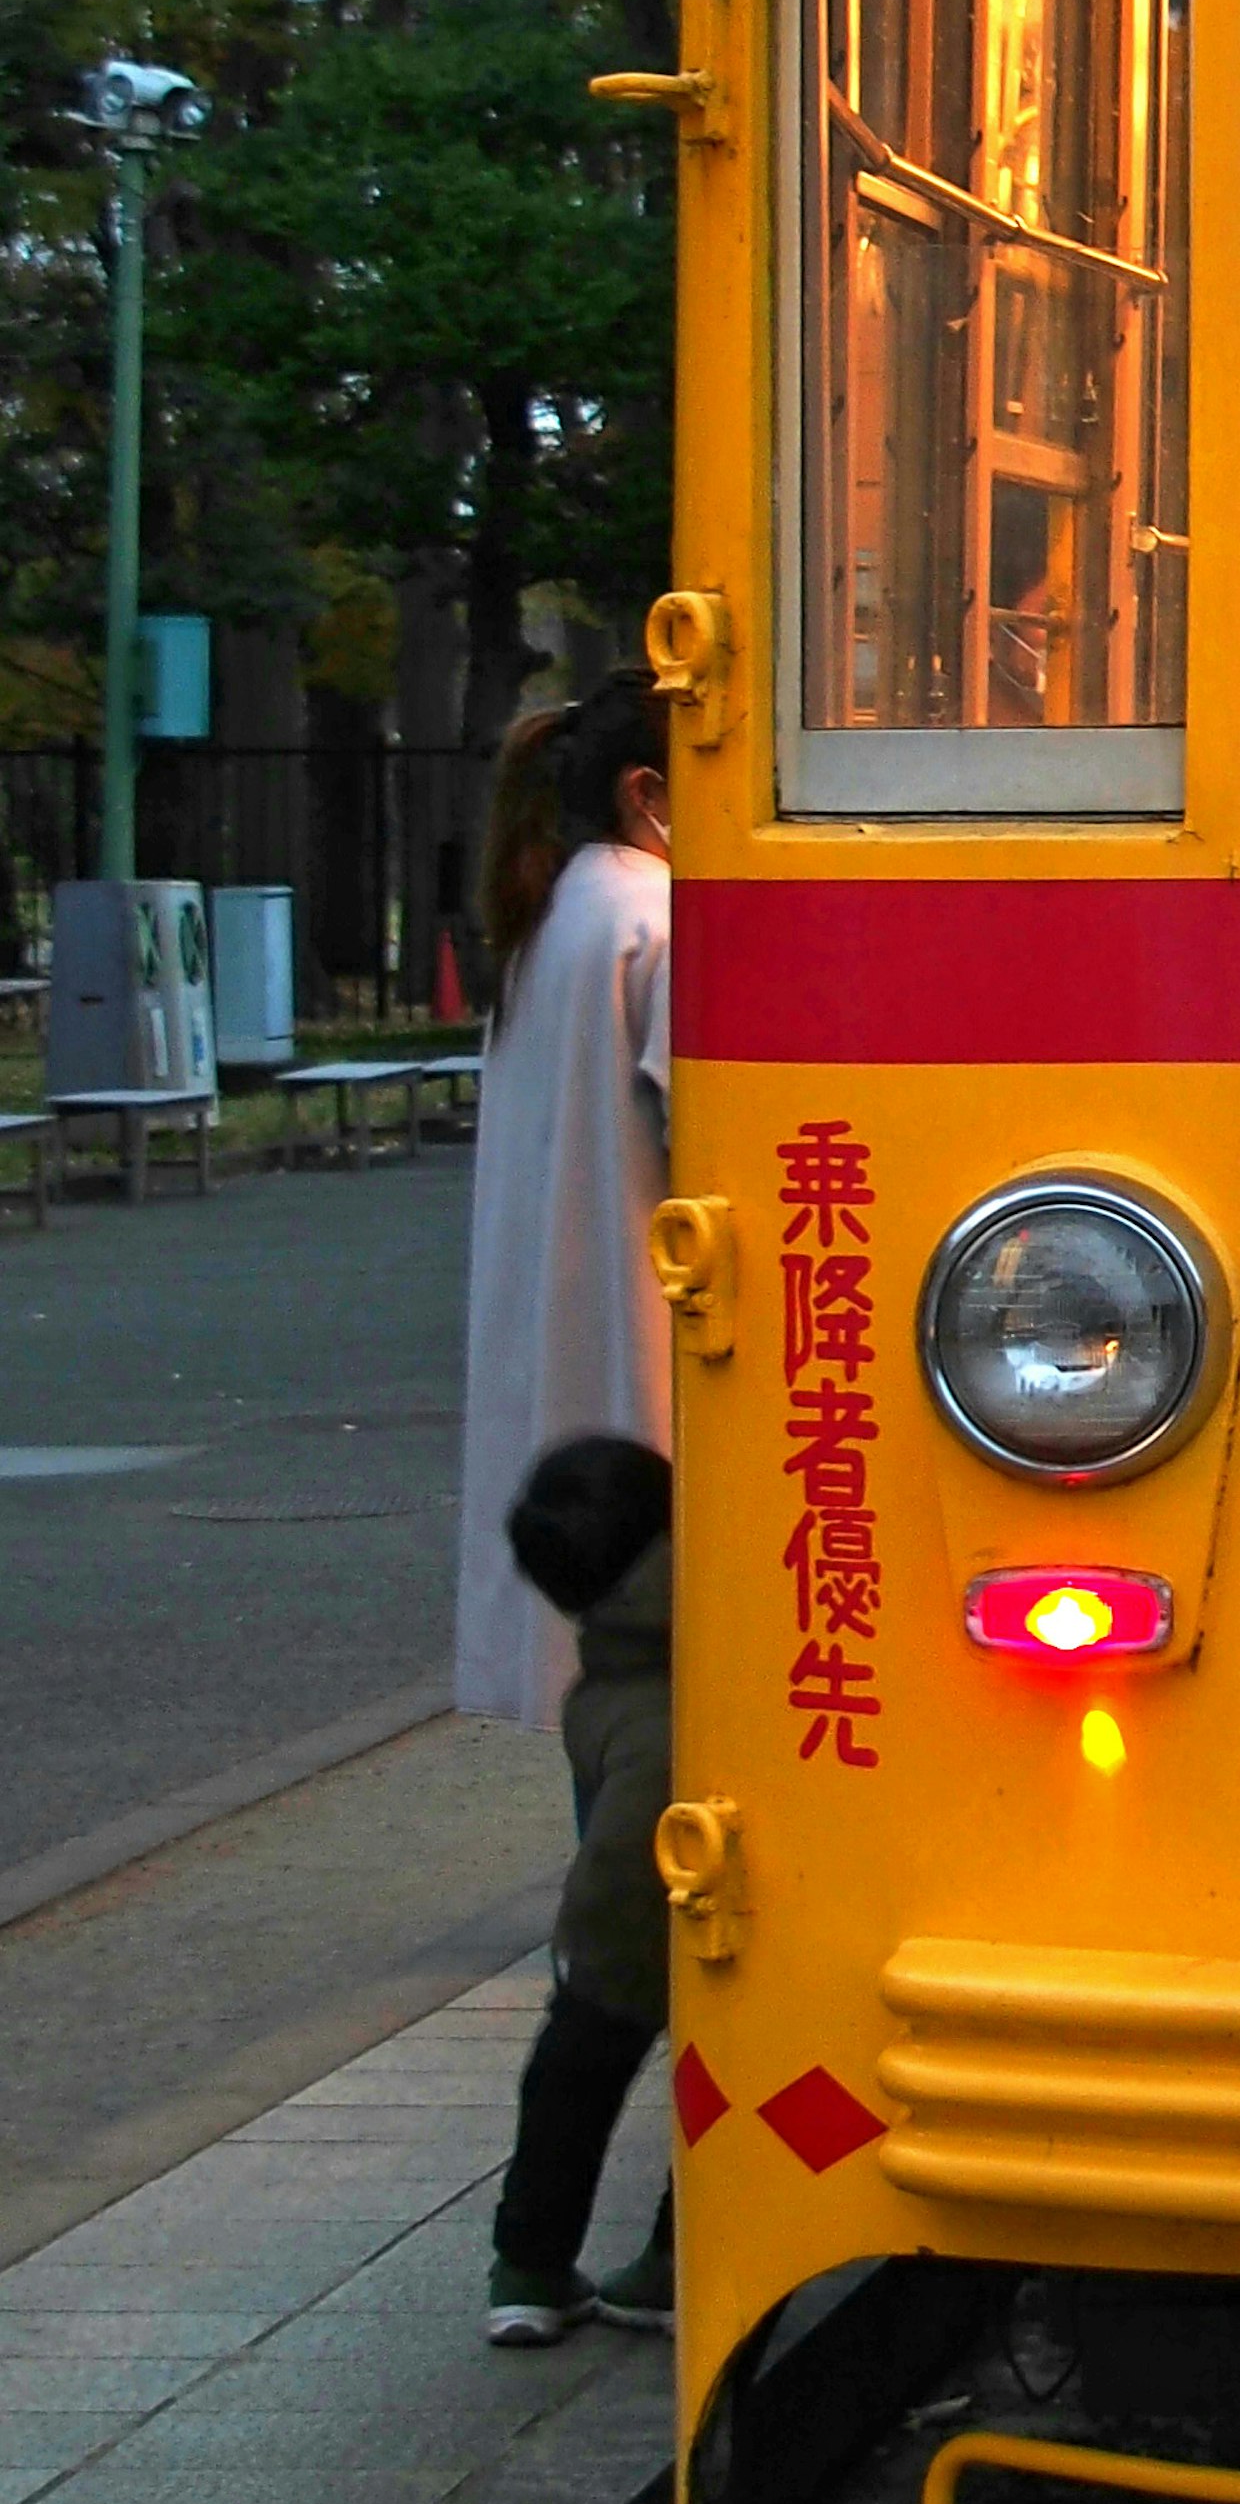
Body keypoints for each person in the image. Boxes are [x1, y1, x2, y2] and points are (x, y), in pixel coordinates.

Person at [454, 664, 672, 1727]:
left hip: (557, 1335)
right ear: (650, 793)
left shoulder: (553, 914)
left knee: (595, 1679)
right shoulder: (666, 923)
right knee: (661, 1666)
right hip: (646, 1337)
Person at [484, 1431, 675, 2343]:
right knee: (739, 2085)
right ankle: (680, 2262)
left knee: (574, 2070)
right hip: (754, 1895)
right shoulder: (730, 1611)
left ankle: (528, 2269)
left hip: (620, 1909)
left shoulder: (614, 1675)